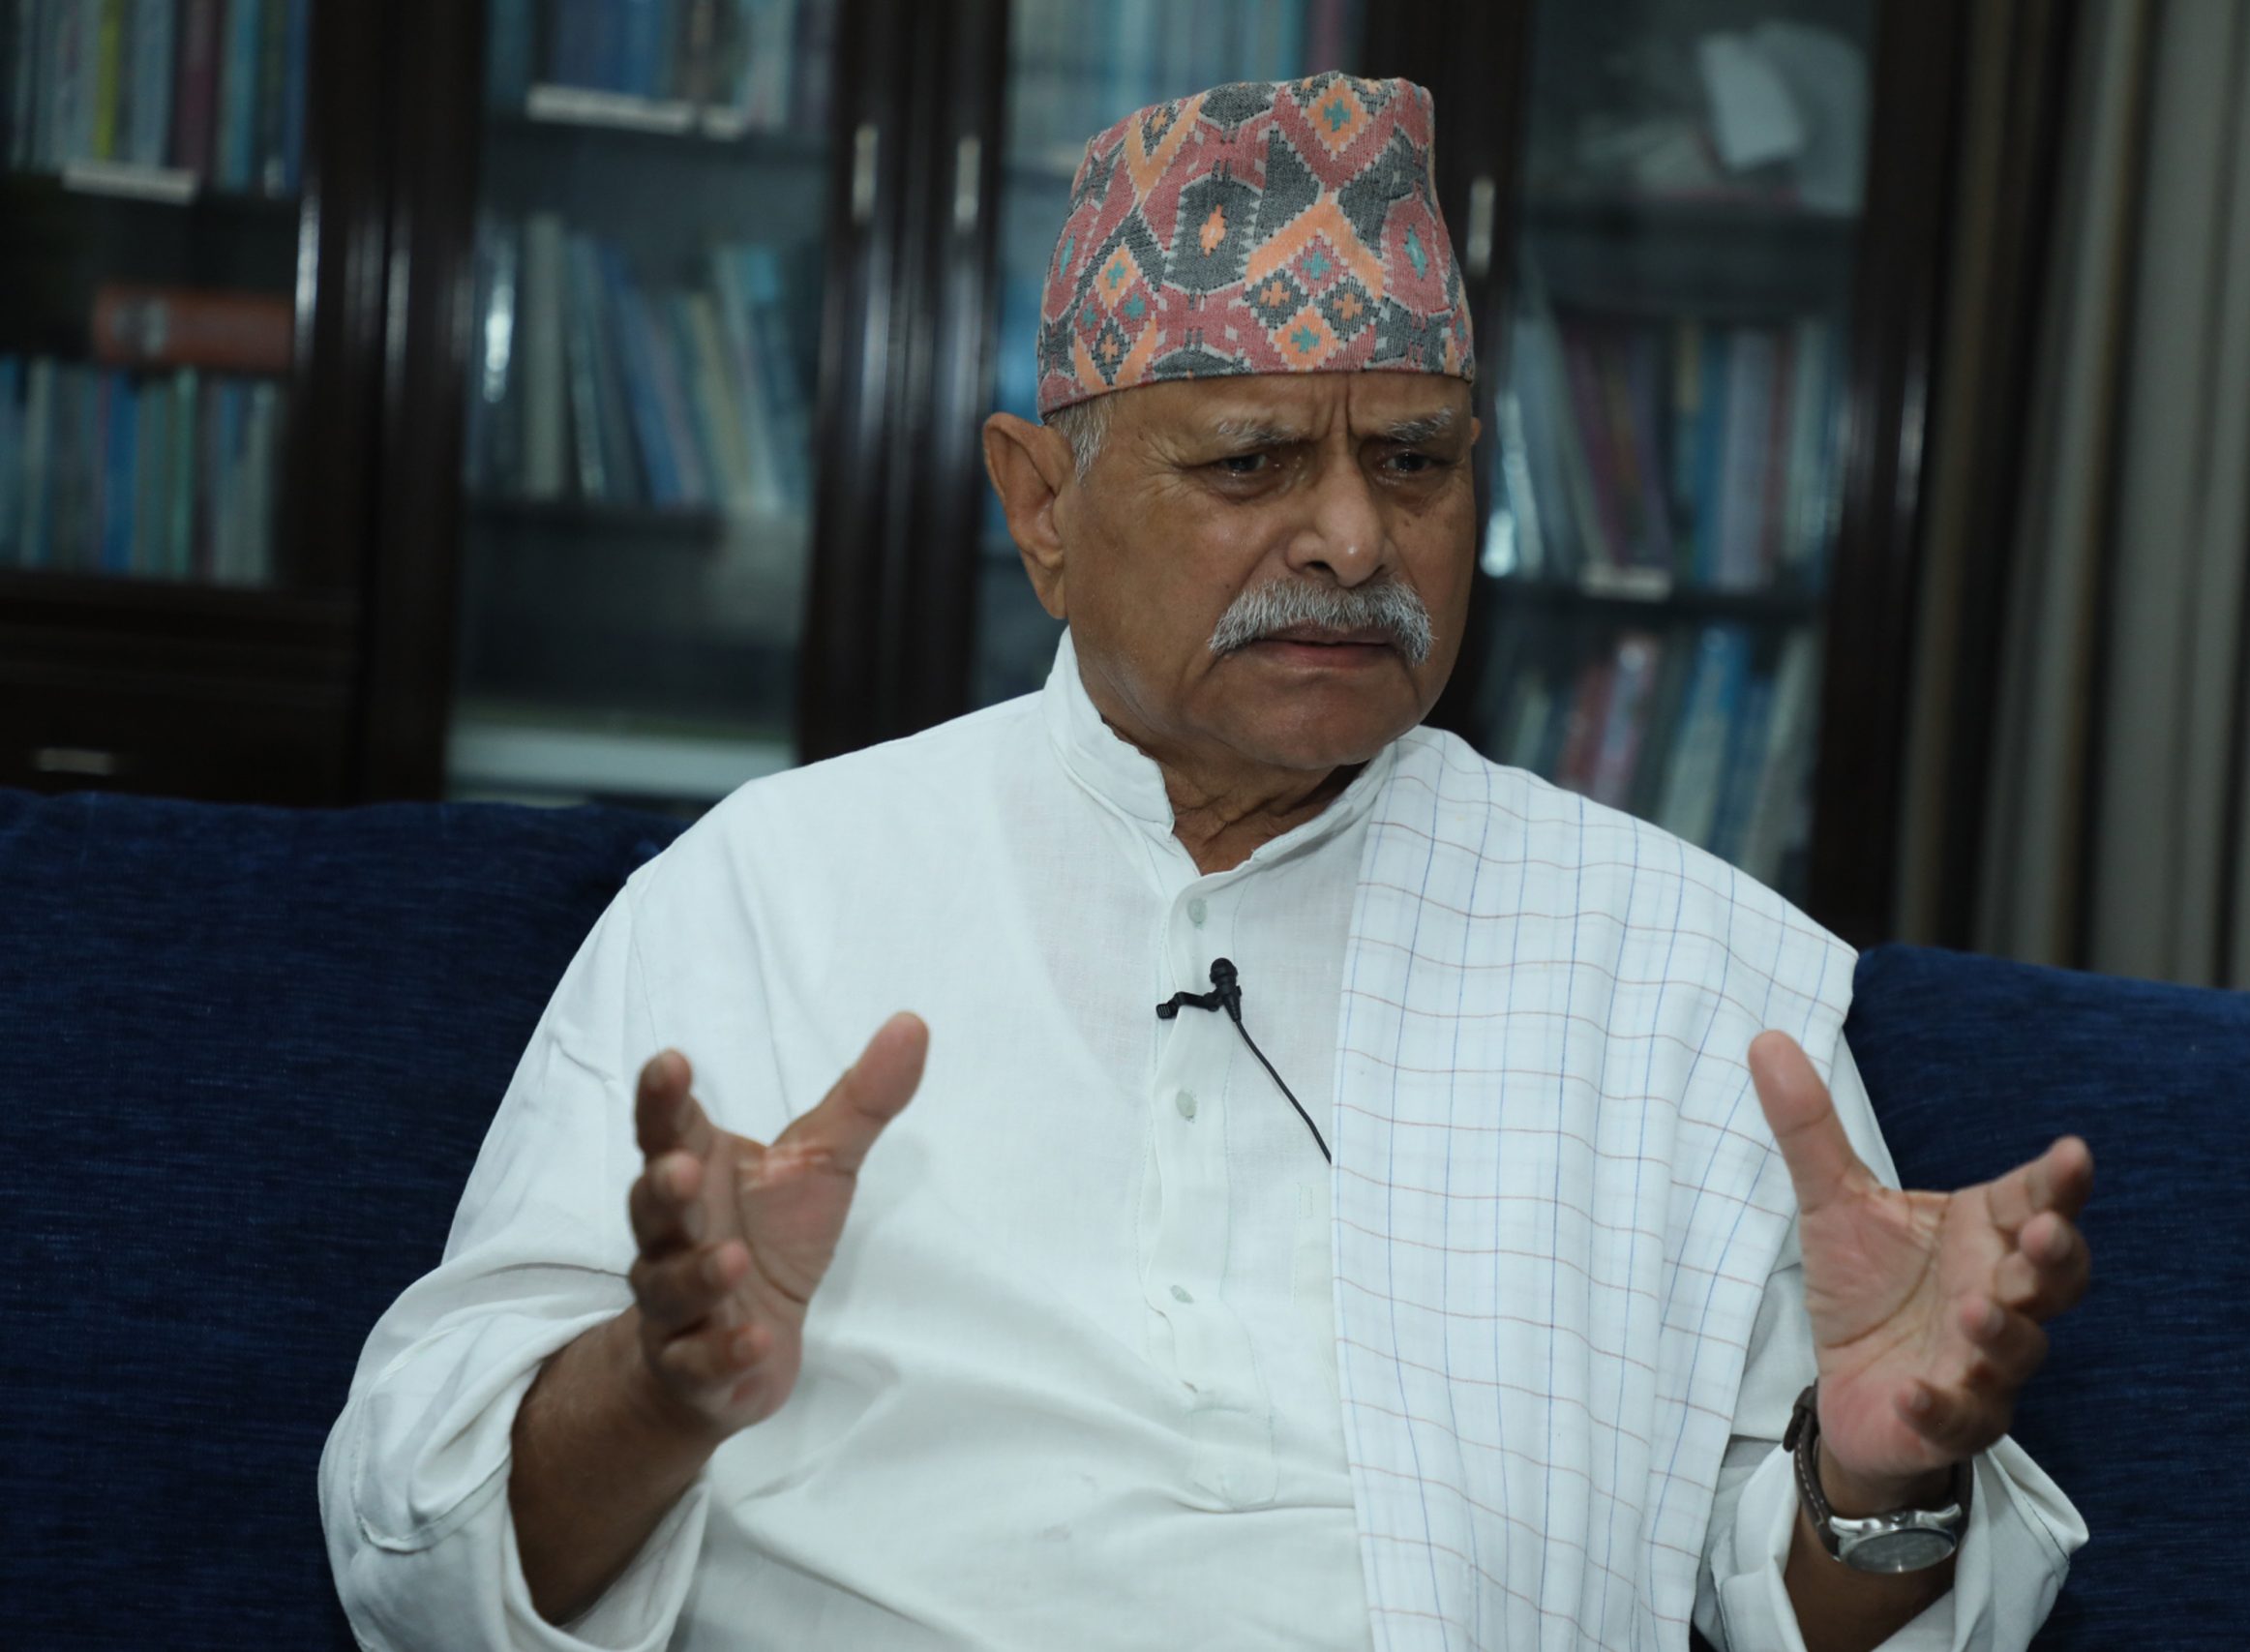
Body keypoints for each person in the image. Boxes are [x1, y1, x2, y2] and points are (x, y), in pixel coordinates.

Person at [321, 74, 2090, 1652]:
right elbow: (419, 1552)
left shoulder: (1688, 974)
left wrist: (1881, 1482)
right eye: (1252, 462)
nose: (1352, 537)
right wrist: (662, 1385)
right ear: (1042, 506)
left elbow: (1820, 1609)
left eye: (1415, 461)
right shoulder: (769, 897)